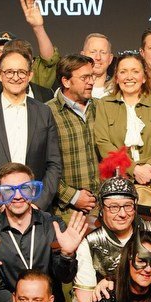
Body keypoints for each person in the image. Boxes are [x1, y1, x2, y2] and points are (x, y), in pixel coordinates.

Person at [0, 42, 62, 228]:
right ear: (0, 74)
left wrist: (37, 203)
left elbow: (54, 165)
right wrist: (0, 203)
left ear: (30, 75)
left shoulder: (44, 112)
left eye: (21, 72)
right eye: (9, 72)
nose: (15, 77)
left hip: (35, 214)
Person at [0, 164, 85, 302]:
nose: (17, 196)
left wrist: (67, 255)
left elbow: (65, 277)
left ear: (33, 191)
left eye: (24, 188)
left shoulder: (53, 226)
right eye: (9, 190)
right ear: (0, 195)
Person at [74, 177, 151, 302]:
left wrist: (115, 282)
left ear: (135, 206)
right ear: (101, 207)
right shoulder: (90, 241)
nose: (123, 214)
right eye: (113, 207)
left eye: (128, 206)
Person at [88, 50, 151, 209]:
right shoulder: (104, 104)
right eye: (123, 72)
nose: (129, 77)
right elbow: (103, 143)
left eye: (135, 71)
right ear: (116, 77)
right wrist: (134, 169)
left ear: (144, 77)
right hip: (118, 180)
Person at [47, 52, 102, 216]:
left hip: (105, 208)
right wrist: (72, 196)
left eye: (92, 76)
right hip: (67, 212)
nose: (91, 82)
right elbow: (41, 165)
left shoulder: (102, 108)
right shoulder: (47, 113)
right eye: (85, 78)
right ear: (66, 81)